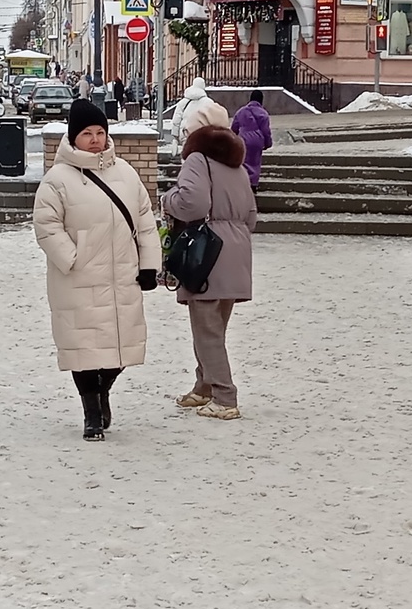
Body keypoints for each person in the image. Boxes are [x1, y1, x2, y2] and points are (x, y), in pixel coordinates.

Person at [33, 97, 162, 439]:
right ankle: (92, 411)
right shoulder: (57, 179)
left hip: (122, 276)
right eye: (87, 133)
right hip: (78, 279)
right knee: (84, 349)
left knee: (119, 347)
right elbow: (46, 226)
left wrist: (149, 266)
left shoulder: (126, 173)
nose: (95, 139)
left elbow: (146, 223)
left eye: (100, 132)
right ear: (73, 137)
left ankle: (104, 390)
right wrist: (73, 258)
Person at [162, 102, 257, 420]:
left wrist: (167, 199)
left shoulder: (197, 159)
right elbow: (252, 215)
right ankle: (204, 387)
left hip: (207, 252)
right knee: (215, 328)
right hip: (237, 251)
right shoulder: (237, 165)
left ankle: (224, 396)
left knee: (207, 330)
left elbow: (192, 203)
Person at [231, 89, 274, 190]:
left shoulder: (241, 111)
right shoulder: (263, 113)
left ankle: (243, 182)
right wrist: (268, 143)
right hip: (257, 139)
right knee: (255, 162)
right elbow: (266, 131)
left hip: (243, 138)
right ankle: (253, 184)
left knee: (244, 161)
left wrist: (234, 140)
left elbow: (234, 128)